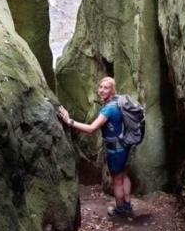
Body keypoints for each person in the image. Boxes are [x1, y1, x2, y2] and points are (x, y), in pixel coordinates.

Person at [57, 77, 133, 217]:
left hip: (115, 149)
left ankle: (121, 210)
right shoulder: (119, 101)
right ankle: (127, 205)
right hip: (125, 145)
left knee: (117, 180)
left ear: (112, 90)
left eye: (106, 88)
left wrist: (69, 121)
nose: (101, 90)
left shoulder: (109, 109)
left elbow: (91, 129)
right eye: (100, 87)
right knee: (124, 175)